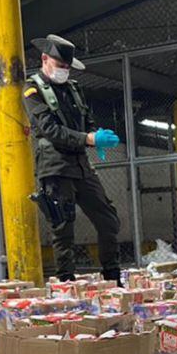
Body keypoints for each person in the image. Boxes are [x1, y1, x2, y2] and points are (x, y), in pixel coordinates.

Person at [23, 34, 122, 282]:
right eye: (60, 66)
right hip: (55, 167)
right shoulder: (32, 90)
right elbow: (50, 130)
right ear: (45, 59)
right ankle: (67, 285)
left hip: (81, 166)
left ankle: (112, 277)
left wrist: (96, 134)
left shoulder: (74, 89)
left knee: (108, 219)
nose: (64, 71)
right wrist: (87, 139)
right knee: (63, 228)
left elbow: (86, 121)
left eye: (67, 67)